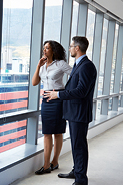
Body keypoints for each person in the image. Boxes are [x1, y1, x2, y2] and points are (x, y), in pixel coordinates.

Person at [44, 36, 97, 185]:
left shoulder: (86, 66)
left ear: (77, 48)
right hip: (75, 112)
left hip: (79, 113)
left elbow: (81, 91)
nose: (69, 48)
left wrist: (58, 94)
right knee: (76, 144)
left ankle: (81, 180)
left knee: (79, 146)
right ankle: (77, 171)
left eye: (71, 46)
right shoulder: (79, 65)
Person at [32, 40, 72, 175]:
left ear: (53, 50)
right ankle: (46, 164)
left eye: (47, 48)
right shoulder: (43, 66)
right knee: (47, 132)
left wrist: (62, 93)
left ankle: (54, 162)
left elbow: (75, 75)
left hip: (58, 100)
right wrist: (38, 66)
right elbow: (34, 83)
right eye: (44, 48)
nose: (44, 50)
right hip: (46, 101)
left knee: (58, 132)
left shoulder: (60, 64)